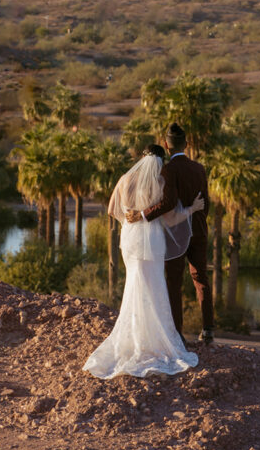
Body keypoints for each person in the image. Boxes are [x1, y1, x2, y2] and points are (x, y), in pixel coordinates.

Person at [83, 145, 204, 379]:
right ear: (159, 162)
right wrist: (192, 209)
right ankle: (153, 341)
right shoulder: (158, 184)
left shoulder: (125, 179)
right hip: (152, 240)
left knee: (134, 287)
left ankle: (133, 339)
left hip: (130, 239)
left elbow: (112, 210)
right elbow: (170, 221)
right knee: (154, 287)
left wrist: (131, 219)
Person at [125, 123, 214, 346]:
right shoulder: (199, 168)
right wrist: (198, 221)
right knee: (201, 278)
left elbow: (168, 202)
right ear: (187, 144)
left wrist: (143, 215)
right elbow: (207, 203)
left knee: (174, 282)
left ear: (166, 145)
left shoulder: (168, 170)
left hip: (175, 235)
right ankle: (208, 330)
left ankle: (177, 333)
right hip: (200, 230)